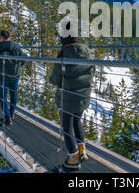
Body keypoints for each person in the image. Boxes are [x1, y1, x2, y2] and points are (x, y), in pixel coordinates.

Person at [49, 22, 95, 170]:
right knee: (77, 121)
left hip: (67, 99)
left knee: (67, 128)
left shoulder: (64, 54)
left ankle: (73, 160)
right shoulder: (87, 50)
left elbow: (55, 79)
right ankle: (82, 152)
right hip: (82, 97)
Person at [0, 30, 26, 126]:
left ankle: (7, 118)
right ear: (9, 37)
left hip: (3, 76)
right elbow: (23, 60)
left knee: (3, 97)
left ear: (1, 37)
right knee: (13, 94)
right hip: (15, 75)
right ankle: (12, 113)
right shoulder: (17, 48)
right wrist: (17, 68)